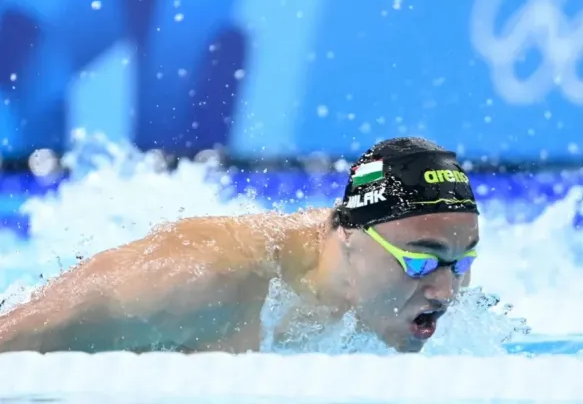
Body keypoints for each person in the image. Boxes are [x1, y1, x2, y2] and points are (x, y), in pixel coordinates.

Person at [0, 137, 480, 353]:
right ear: (348, 233)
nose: (445, 292)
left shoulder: (397, 287)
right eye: (421, 263)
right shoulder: (204, 281)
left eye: (461, 264)